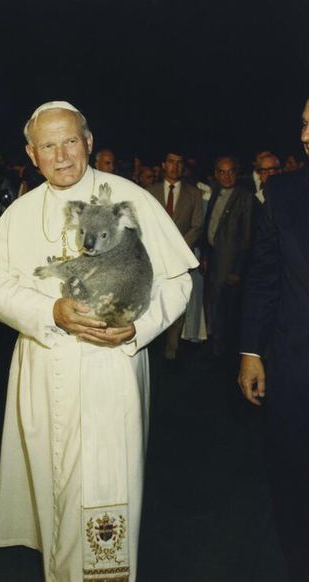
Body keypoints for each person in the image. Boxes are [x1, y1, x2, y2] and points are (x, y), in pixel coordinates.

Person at [0, 101, 198, 582]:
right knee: (52, 489)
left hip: (110, 368)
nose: (61, 156)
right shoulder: (19, 212)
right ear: (31, 154)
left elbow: (178, 281)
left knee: (105, 484)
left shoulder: (130, 199)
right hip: (43, 363)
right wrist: (49, 311)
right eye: (49, 145)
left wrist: (138, 327)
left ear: (89, 142)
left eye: (70, 141)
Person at [238, 98, 309, 582]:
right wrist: (251, 352)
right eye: (305, 123)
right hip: (293, 364)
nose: (305, 136)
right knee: (292, 479)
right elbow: (264, 279)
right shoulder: (281, 194)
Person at [148, 150, 203, 360]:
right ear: (164, 164)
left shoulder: (194, 193)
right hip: (154, 257)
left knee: (176, 300)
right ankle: (151, 344)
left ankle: (172, 348)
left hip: (180, 259)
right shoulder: (149, 192)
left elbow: (197, 226)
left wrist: (177, 249)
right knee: (152, 300)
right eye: (171, 162)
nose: (175, 167)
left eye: (179, 163)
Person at [202, 155, 253, 358]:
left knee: (228, 309)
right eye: (222, 172)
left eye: (231, 171)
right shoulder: (214, 194)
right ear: (216, 174)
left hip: (230, 265)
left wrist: (237, 270)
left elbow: (247, 237)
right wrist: (205, 255)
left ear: (237, 172)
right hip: (213, 260)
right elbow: (208, 227)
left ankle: (225, 354)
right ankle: (214, 344)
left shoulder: (245, 197)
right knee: (213, 304)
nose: (227, 176)